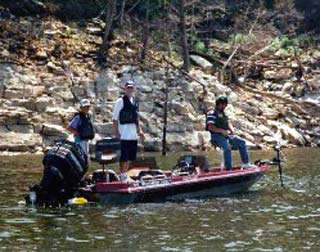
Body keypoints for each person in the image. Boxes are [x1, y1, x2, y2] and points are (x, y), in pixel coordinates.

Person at [206, 96, 255, 170]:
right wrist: (222, 131)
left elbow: (228, 122)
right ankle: (228, 168)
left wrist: (232, 130)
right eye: (223, 105)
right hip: (216, 136)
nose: (224, 106)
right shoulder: (211, 113)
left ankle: (246, 163)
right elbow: (210, 127)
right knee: (227, 147)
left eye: (225, 105)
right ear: (218, 104)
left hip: (226, 135)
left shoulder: (223, 114)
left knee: (241, 142)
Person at [112, 80, 145, 182]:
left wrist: (140, 131)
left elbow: (136, 118)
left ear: (134, 89)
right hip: (123, 134)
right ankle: (122, 175)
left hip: (133, 134)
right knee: (124, 157)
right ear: (125, 89)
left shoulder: (134, 101)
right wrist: (116, 132)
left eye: (131, 87)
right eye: (128, 87)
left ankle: (125, 174)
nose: (130, 89)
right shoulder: (120, 101)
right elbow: (115, 118)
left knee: (130, 156)